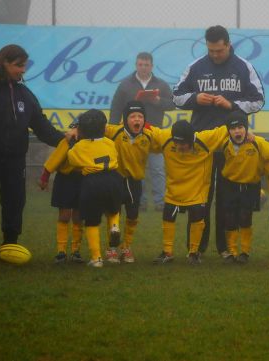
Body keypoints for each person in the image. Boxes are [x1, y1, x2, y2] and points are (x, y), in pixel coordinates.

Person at [0, 44, 65, 264]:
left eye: (24, 66)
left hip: (15, 161)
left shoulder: (25, 94)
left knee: (14, 203)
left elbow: (42, 127)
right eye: (18, 66)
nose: (23, 71)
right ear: (4, 63)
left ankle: (10, 245)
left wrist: (66, 139)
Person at [173, 25, 265, 258]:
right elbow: (176, 96)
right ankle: (197, 248)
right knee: (201, 196)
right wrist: (195, 98)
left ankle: (226, 248)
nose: (215, 55)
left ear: (228, 44)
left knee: (228, 197)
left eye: (219, 50)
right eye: (211, 50)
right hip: (201, 142)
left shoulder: (244, 67)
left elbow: (259, 100)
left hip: (231, 142)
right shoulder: (196, 67)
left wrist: (232, 105)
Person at [148, 120, 228, 265]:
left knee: (197, 217)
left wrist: (248, 133)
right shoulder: (166, 137)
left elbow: (228, 127)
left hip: (197, 192)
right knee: (168, 215)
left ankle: (193, 253)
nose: (179, 146)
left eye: (183, 143)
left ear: (191, 140)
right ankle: (167, 252)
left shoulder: (206, 139)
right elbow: (148, 128)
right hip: (174, 191)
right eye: (176, 143)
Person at [109, 52, 175, 212]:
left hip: (154, 133)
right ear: (136, 65)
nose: (143, 67)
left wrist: (158, 101)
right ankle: (140, 201)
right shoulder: (125, 84)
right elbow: (116, 107)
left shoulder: (162, 84)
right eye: (140, 64)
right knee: (138, 169)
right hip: (132, 135)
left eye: (146, 65)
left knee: (158, 169)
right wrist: (111, 129)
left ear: (152, 66)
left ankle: (160, 202)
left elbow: (173, 104)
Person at [103, 100, 158, 263]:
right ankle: (111, 249)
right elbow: (92, 125)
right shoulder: (114, 131)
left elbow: (167, 141)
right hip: (116, 179)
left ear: (144, 120)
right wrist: (75, 129)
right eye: (133, 116)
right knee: (114, 213)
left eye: (140, 116)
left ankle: (126, 247)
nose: (136, 120)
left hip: (135, 181)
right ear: (126, 119)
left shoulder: (149, 136)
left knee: (133, 215)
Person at [221, 110, 269, 263]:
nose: (237, 131)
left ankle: (245, 253)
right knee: (229, 218)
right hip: (229, 185)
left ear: (246, 128)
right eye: (233, 129)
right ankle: (232, 252)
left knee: (245, 218)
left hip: (250, 187)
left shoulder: (256, 142)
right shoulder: (223, 143)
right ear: (228, 131)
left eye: (240, 127)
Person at [67, 109, 123, 268]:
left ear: (82, 129)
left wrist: (73, 142)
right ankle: (114, 226)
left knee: (92, 221)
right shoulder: (109, 142)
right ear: (104, 127)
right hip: (113, 178)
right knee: (113, 211)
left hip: (92, 182)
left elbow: (73, 161)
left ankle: (97, 258)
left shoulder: (81, 146)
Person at [38, 129, 84, 264]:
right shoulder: (67, 141)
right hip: (65, 179)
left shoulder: (92, 141)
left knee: (78, 217)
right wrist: (45, 177)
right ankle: (61, 251)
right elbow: (55, 158)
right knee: (64, 216)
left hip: (83, 180)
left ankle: (76, 251)